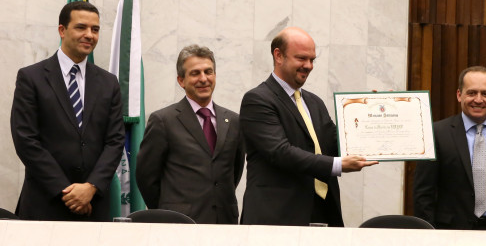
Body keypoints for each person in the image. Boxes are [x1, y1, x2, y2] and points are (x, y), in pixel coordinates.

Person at [240, 27, 377, 226]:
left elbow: (337, 144)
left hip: (321, 214)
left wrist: (371, 114)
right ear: (278, 56)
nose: (309, 66)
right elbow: (280, 152)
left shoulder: (314, 103)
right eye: (302, 58)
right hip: (276, 220)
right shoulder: (258, 100)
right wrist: (337, 165)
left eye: (312, 59)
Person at [10, 1, 124, 221]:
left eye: (95, 29)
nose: (89, 35)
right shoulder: (31, 78)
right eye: (81, 27)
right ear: (62, 30)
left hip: (94, 205)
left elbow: (115, 141)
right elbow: (26, 140)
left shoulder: (109, 83)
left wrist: (90, 187)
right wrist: (68, 193)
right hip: (45, 203)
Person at [413, 66, 486, 230]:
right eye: (471, 93)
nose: (478, 99)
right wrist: (430, 235)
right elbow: (423, 193)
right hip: (451, 232)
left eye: (485, 93)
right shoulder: (436, 133)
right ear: (459, 95)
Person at [136, 45, 245, 224]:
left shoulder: (233, 121)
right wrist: (168, 210)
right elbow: (146, 177)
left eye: (208, 72)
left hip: (224, 222)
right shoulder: (163, 120)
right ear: (181, 80)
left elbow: (234, 172)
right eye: (195, 73)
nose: (203, 79)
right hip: (180, 223)